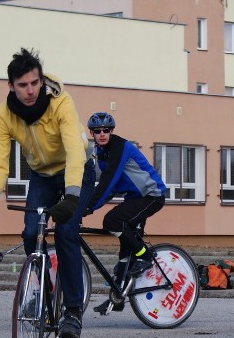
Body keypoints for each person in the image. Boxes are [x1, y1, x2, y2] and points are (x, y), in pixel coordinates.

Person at [0, 48, 95, 338]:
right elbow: (0, 163)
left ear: (41, 81)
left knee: (65, 231)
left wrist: (73, 196)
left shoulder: (60, 101)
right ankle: (45, 295)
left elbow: (76, 151)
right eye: (23, 85)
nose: (30, 91)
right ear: (11, 86)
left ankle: (73, 311)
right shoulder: (3, 115)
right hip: (41, 175)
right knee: (30, 234)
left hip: (76, 170)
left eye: (34, 83)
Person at [55, 112, 166, 315]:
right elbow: (110, 189)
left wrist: (87, 208)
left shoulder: (120, 147)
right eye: (98, 131)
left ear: (112, 131)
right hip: (135, 198)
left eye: (106, 130)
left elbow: (108, 182)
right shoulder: (102, 154)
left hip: (151, 196)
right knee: (125, 247)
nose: (102, 134)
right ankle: (117, 297)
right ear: (92, 133)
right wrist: (87, 207)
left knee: (112, 221)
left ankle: (145, 256)